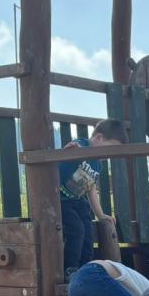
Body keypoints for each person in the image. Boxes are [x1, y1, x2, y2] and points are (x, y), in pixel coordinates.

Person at [60, 118, 128, 277]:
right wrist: (74, 151)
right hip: (61, 200)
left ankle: (85, 268)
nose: (110, 154)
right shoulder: (81, 145)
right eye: (111, 148)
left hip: (78, 201)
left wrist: (100, 214)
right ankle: (70, 268)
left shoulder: (98, 164)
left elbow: (91, 188)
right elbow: (72, 150)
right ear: (99, 138)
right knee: (76, 229)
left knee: (88, 232)